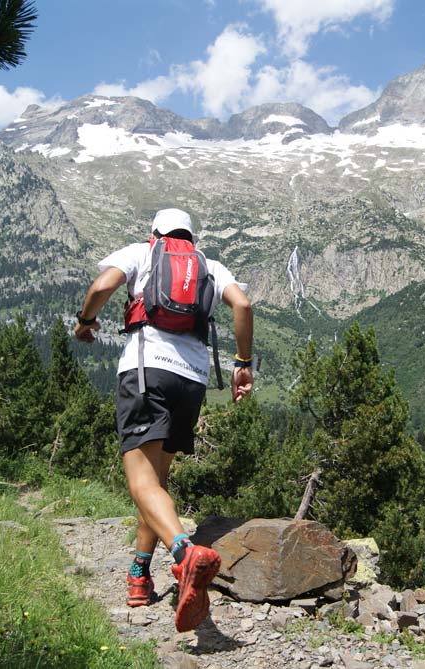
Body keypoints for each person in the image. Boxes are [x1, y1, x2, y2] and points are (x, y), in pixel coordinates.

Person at [73, 208, 253, 633]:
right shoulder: (209, 264)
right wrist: (242, 364)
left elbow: (102, 285)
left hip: (145, 370)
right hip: (191, 381)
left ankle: (184, 554)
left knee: (139, 482)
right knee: (156, 480)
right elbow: (242, 304)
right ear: (191, 236)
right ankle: (138, 576)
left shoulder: (144, 251)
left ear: (154, 231)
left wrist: (85, 323)